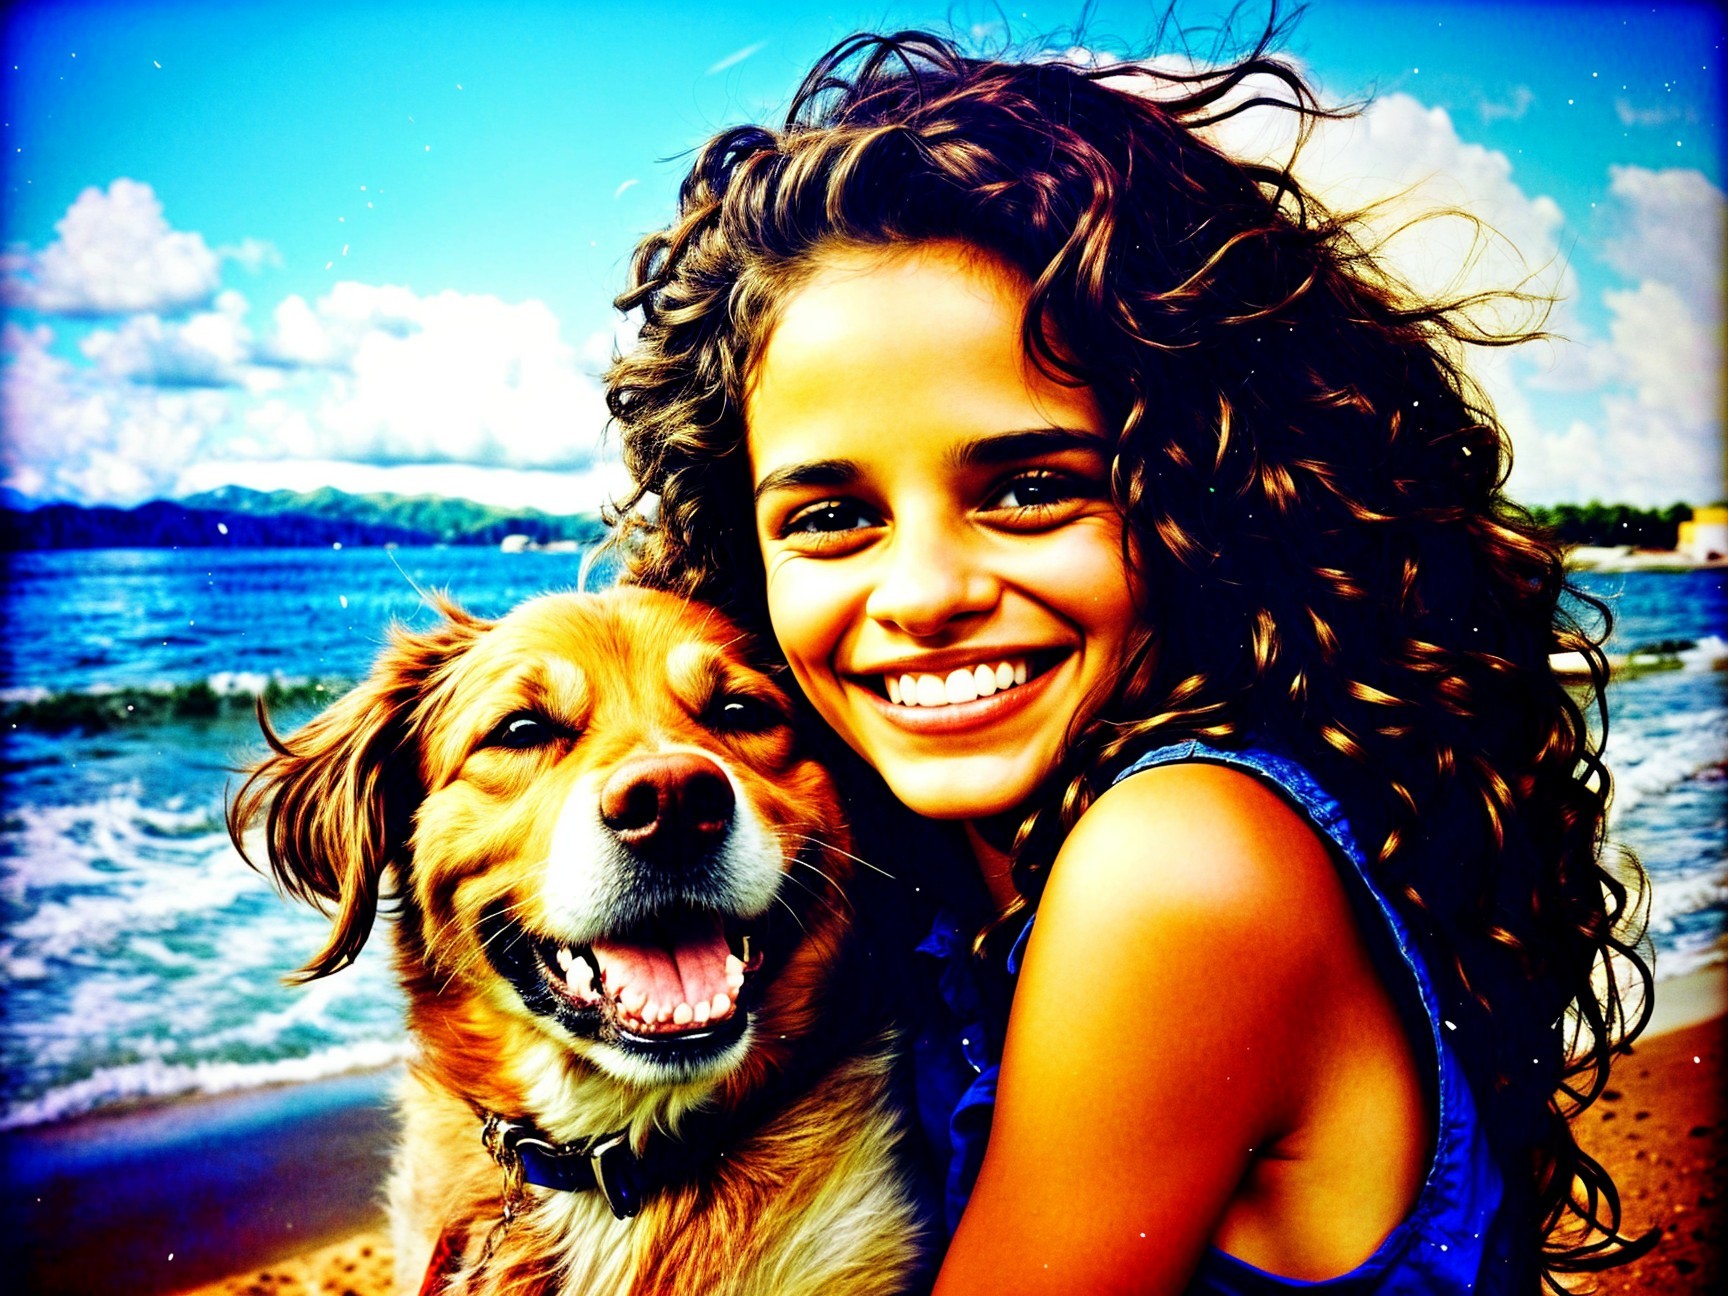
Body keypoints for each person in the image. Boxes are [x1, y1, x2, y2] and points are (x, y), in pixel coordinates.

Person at [603, 22, 1653, 1294]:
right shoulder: (953, 887)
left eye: (1034, 487)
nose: (925, 592)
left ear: (1203, 493)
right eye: (831, 517)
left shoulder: (1177, 867)